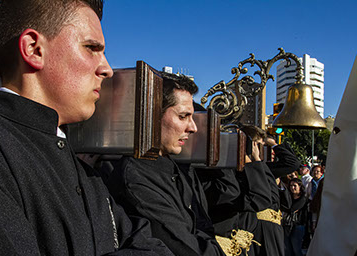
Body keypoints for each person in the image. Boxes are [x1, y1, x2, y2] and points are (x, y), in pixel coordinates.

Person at [0, 1, 173, 255]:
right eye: (91, 48)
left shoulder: (73, 162)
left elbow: (150, 245)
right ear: (34, 49)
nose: (107, 69)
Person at [106, 72, 226, 256]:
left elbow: (202, 227)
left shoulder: (174, 167)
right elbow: (187, 247)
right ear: (153, 116)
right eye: (183, 116)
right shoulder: (136, 177)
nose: (193, 127)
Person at [201, 126, 300, 256]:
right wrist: (250, 159)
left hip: (266, 231)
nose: (260, 151)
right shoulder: (238, 169)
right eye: (257, 146)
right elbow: (260, 198)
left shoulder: (261, 167)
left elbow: (291, 164)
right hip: (253, 231)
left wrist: (273, 145)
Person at [282, 178, 308, 256]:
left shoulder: (303, 198)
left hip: (298, 225)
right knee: (287, 248)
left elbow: (292, 209)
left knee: (296, 248)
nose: (292, 188)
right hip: (287, 224)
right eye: (291, 186)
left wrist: (286, 208)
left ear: (300, 186)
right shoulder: (289, 197)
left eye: (295, 185)